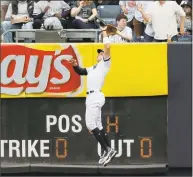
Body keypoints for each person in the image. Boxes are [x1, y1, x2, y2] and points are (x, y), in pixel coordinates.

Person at [68, 26, 117, 166]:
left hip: (95, 96)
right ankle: (109, 149)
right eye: (98, 53)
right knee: (98, 125)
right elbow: (81, 71)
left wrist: (105, 34)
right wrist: (75, 66)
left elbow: (107, 46)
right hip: (92, 97)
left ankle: (107, 149)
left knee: (90, 124)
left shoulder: (105, 65)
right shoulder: (93, 67)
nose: (99, 54)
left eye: (100, 53)